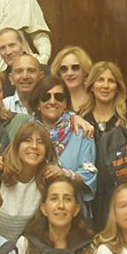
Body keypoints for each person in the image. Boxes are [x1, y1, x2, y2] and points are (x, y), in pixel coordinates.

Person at [80, 61, 127, 229]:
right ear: (91, 86)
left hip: (117, 196)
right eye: (100, 80)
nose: (105, 86)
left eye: (111, 81)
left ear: (118, 88)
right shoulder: (80, 119)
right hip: (88, 195)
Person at [30, 76, 97, 208]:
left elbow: (89, 175)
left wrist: (64, 174)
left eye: (59, 97)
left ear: (66, 102)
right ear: (38, 103)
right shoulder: (27, 130)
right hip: (32, 207)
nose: (52, 101)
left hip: (70, 208)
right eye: (45, 97)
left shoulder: (82, 131)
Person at [0, 122, 58, 242]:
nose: (34, 146)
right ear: (17, 146)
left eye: (40, 142)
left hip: (27, 249)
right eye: (27, 140)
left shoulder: (48, 180)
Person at [51, 46, 94, 113]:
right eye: (64, 69)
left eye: (75, 67)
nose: (69, 73)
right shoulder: (52, 100)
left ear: (85, 71)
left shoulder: (95, 99)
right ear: (59, 73)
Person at [0, 27, 26, 97]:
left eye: (12, 45)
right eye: (2, 48)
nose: (8, 52)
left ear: (23, 45)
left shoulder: (46, 73)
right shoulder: (0, 82)